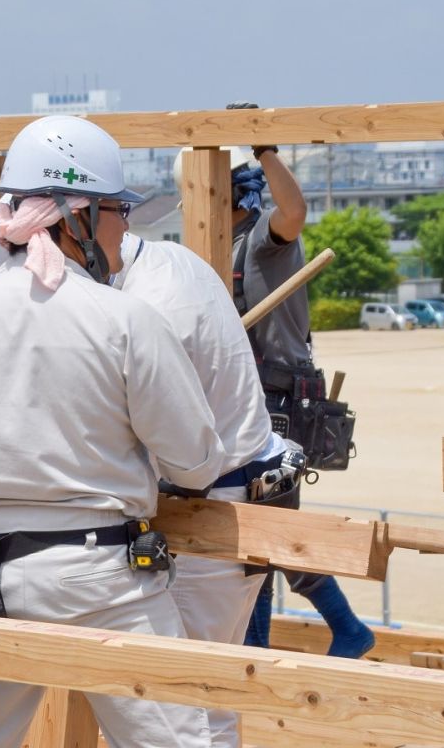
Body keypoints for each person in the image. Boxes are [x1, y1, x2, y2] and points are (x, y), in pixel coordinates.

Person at [0, 115, 224, 748]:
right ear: (79, 216)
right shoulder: (124, 319)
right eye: (118, 212)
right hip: (108, 580)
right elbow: (195, 462)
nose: (125, 228)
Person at [173, 104, 374, 659]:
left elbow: (295, 209)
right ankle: (335, 632)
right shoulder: (208, 253)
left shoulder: (264, 238)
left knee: (254, 535)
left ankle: (273, 645)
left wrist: (264, 147)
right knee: (255, 532)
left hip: (277, 400)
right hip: (248, 398)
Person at [111, 230, 297, 746]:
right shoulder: (171, 259)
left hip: (210, 508)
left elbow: (178, 459)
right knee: (207, 698)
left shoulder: (150, 309)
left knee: (186, 704)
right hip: (238, 491)